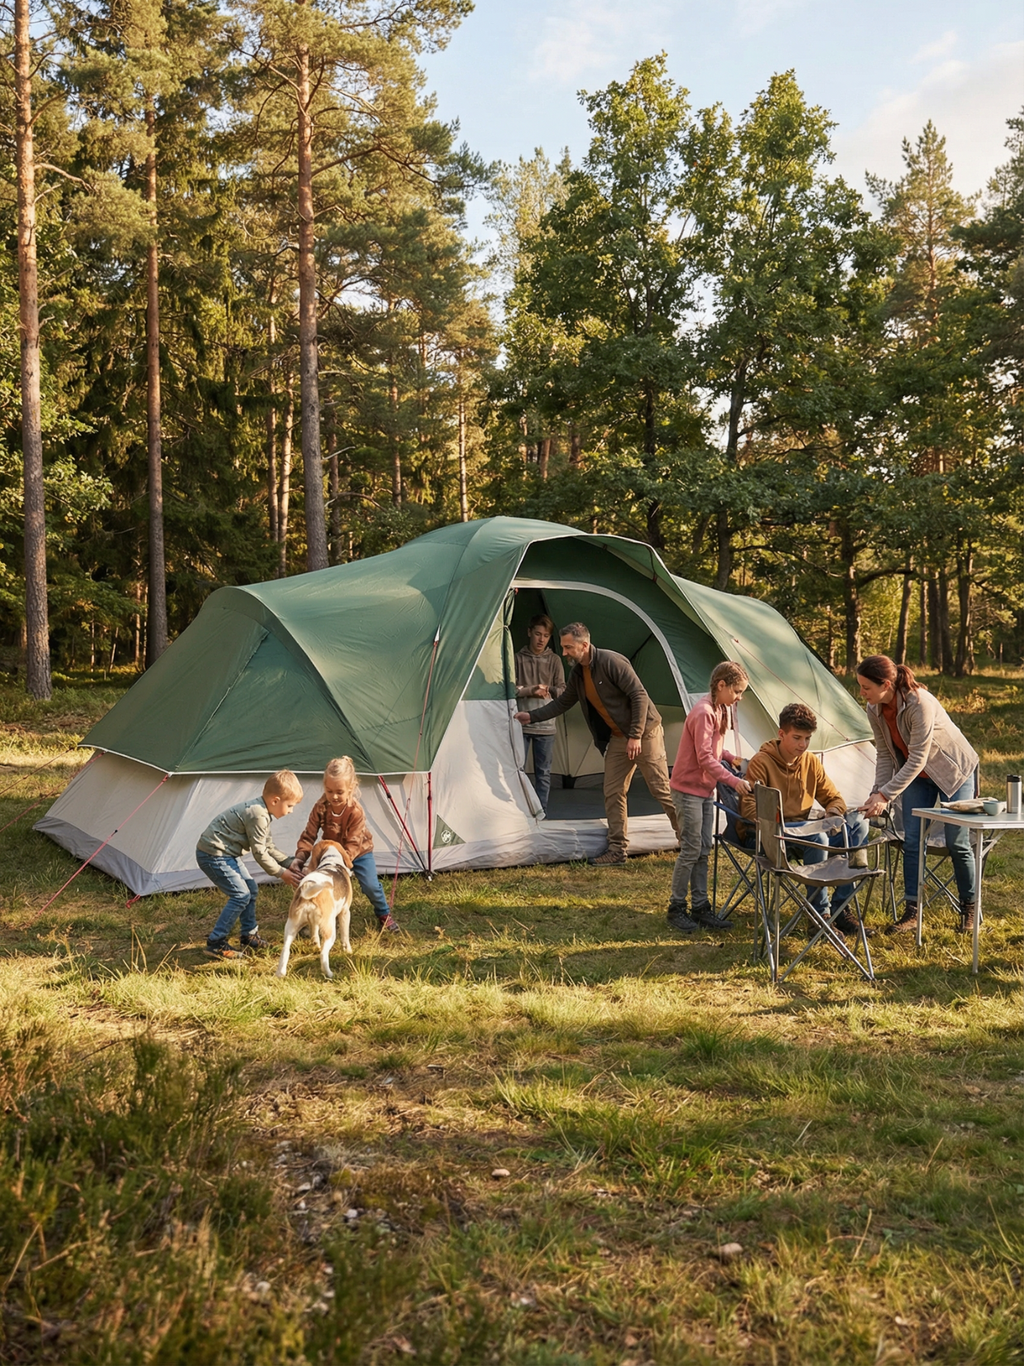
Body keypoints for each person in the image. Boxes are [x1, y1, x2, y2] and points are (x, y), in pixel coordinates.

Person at [513, 621, 679, 865]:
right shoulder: (579, 673)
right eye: (563, 647)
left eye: (569, 647)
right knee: (613, 792)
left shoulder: (612, 662)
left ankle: (689, 842)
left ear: (585, 645)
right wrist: (532, 716)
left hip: (645, 733)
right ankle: (617, 850)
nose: (565, 652)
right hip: (619, 738)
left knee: (660, 790)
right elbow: (563, 702)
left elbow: (639, 696)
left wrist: (635, 735)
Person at [855, 655, 979, 933]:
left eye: (866, 687)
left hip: (953, 771)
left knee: (957, 841)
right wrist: (877, 791)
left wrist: (886, 796)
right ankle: (912, 912)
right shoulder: (873, 708)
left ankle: (969, 908)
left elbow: (919, 757)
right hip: (917, 778)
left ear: (886, 684)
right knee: (912, 839)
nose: (862, 693)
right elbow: (885, 753)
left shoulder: (919, 703)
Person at [737, 703, 871, 933]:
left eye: (807, 738)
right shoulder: (762, 761)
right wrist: (781, 823)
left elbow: (834, 798)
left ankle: (840, 909)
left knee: (858, 826)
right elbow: (748, 806)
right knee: (817, 836)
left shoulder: (810, 762)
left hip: (802, 835)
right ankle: (819, 916)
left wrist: (832, 813)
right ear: (781, 734)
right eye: (797, 737)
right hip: (770, 836)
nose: (803, 744)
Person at [666, 661, 752, 934]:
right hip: (688, 790)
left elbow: (713, 749)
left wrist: (730, 757)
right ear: (721, 685)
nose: (739, 698)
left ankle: (701, 907)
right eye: (737, 691)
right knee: (691, 849)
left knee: (704, 848)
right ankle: (676, 907)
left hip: (704, 790)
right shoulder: (704, 711)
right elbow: (704, 758)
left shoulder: (719, 709)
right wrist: (734, 781)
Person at [197, 769, 303, 960]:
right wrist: (281, 873)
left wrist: (289, 862)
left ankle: (248, 935)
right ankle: (216, 942)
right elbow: (259, 853)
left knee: (251, 889)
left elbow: (268, 845)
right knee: (240, 895)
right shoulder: (258, 815)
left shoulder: (263, 812)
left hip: (227, 854)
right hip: (213, 854)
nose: (291, 811)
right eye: (290, 806)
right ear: (275, 801)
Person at [292, 756, 399, 932]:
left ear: (351, 789)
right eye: (329, 791)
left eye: (339, 792)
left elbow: (354, 843)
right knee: (318, 881)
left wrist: (341, 866)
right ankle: (314, 916)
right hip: (330, 852)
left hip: (358, 852)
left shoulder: (355, 811)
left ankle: (383, 912)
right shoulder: (320, 807)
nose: (334, 796)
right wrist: (300, 858)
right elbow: (309, 834)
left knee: (370, 885)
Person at [514, 614, 565, 814]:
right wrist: (530, 690)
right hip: (522, 723)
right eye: (537, 634)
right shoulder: (517, 659)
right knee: (518, 771)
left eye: (545, 635)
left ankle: (541, 811)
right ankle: (520, 811)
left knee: (543, 773)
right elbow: (509, 688)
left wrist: (547, 689)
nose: (541, 639)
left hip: (546, 726)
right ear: (529, 632)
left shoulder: (554, 660)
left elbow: (563, 690)